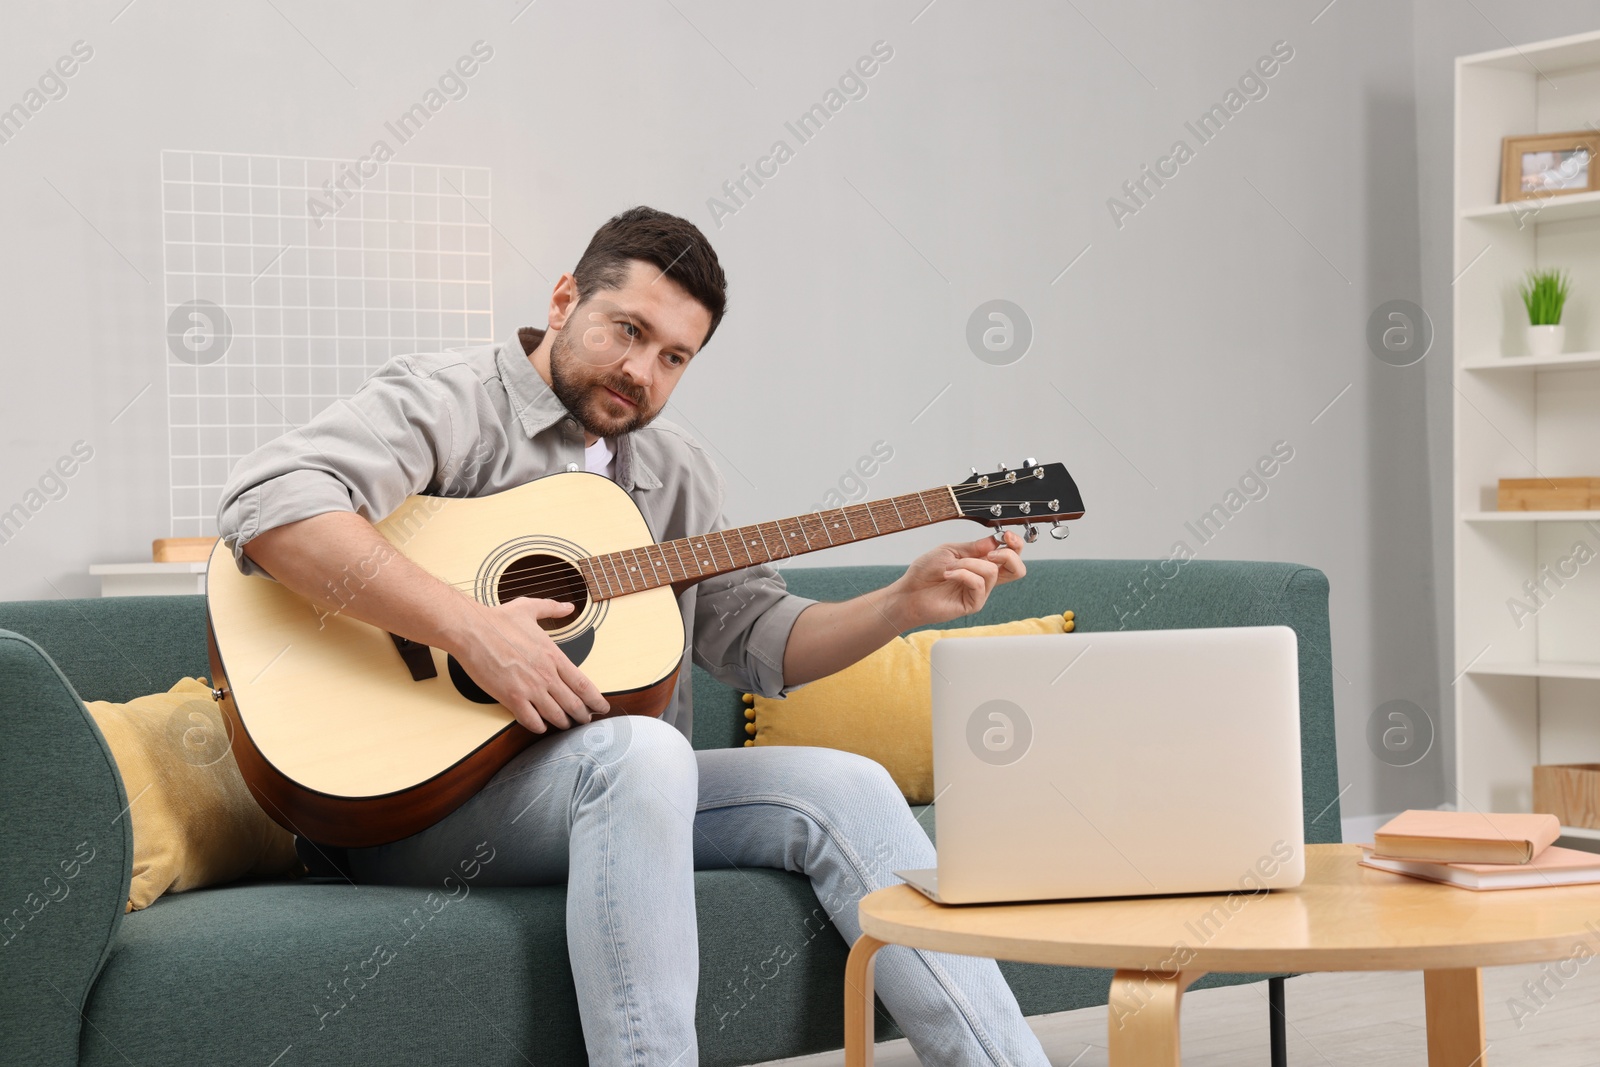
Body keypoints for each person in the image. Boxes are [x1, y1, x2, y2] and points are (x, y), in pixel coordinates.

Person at [217, 205, 1050, 1066]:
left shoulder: (674, 469)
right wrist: (469, 629)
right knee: (643, 752)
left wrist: (903, 603)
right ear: (565, 296)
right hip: (405, 802)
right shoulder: (451, 402)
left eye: (673, 357)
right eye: (628, 330)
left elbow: (757, 637)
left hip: (607, 798)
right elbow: (272, 503)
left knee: (844, 782)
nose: (641, 371)